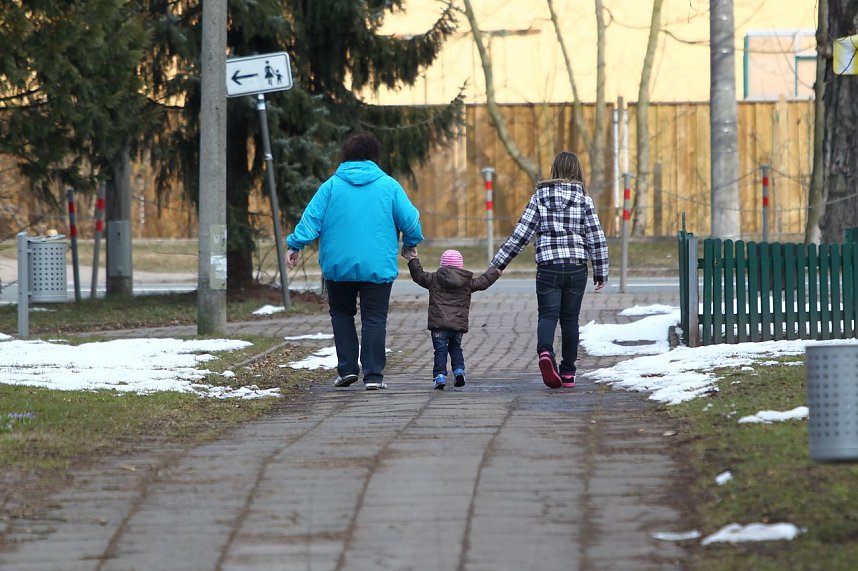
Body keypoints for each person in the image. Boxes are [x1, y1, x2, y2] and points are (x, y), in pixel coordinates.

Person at [286, 132, 423, 390]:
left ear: (345, 156)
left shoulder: (330, 187)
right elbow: (411, 220)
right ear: (374, 156)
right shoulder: (389, 186)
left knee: (341, 314)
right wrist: (411, 242)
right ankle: (373, 376)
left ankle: (347, 369)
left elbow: (311, 220)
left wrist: (295, 244)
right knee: (374, 318)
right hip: (377, 266)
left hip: (338, 266)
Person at [490, 151, 608, 389]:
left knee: (547, 316)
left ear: (554, 170)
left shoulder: (539, 197)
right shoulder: (584, 200)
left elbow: (521, 234)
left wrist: (499, 263)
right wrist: (600, 270)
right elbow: (596, 236)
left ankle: (545, 353)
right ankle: (568, 373)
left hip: (548, 267)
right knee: (570, 320)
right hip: (576, 267)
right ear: (577, 171)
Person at [405, 248, 501, 390]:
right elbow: (483, 282)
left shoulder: (433, 279)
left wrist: (413, 259)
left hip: (439, 326)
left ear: (442, 265)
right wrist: (496, 271)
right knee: (456, 348)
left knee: (440, 351)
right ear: (460, 265)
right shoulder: (467, 282)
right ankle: (459, 371)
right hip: (457, 326)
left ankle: (440, 376)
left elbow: (418, 275)